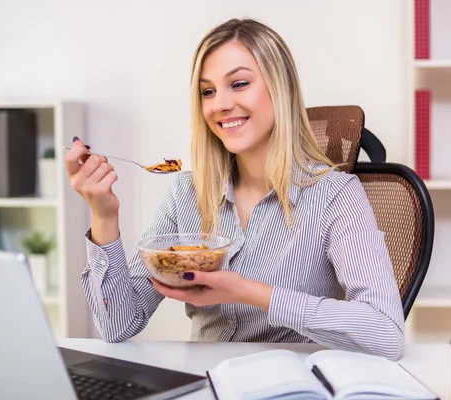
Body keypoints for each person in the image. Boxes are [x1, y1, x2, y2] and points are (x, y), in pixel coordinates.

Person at [64, 17, 405, 361]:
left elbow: (385, 332)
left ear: (280, 88)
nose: (220, 104)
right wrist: (103, 215)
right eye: (208, 91)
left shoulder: (335, 195)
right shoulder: (187, 193)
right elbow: (118, 324)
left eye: (239, 84)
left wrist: (248, 292)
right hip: (203, 383)